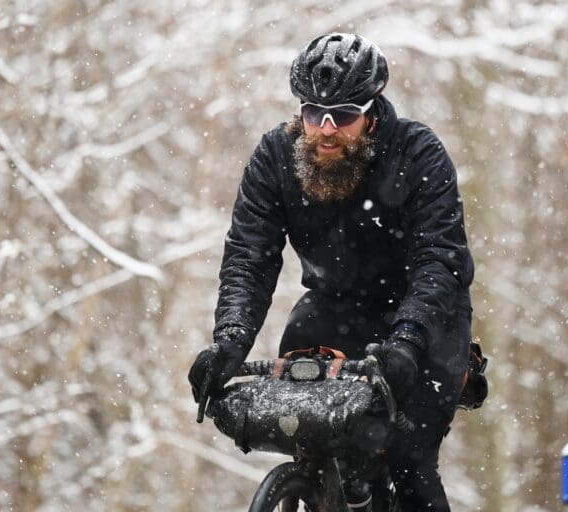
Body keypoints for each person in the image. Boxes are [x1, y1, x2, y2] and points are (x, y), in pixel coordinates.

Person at [188, 33, 474, 511]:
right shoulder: (276, 157)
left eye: (342, 116)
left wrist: (407, 340)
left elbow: (439, 260)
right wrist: (230, 342)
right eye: (312, 114)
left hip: (426, 316)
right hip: (332, 305)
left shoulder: (418, 154)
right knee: (303, 428)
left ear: (372, 111)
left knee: (407, 458)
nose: (324, 130)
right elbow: (249, 257)